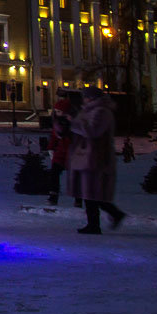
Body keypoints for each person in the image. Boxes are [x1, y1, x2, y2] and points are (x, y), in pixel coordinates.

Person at [68, 86, 127, 234]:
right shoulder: (90, 110)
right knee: (89, 193)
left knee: (93, 192)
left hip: (96, 157)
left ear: (92, 98)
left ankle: (106, 219)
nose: (84, 99)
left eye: (86, 96)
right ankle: (95, 223)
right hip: (88, 156)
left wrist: (73, 123)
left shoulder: (101, 111)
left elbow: (93, 131)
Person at [47, 87, 72, 205]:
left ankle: (78, 198)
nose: (57, 114)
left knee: (75, 176)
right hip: (60, 154)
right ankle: (53, 196)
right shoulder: (57, 124)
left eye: (59, 112)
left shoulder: (71, 124)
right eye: (56, 111)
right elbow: (53, 138)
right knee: (54, 173)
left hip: (71, 154)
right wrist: (51, 149)